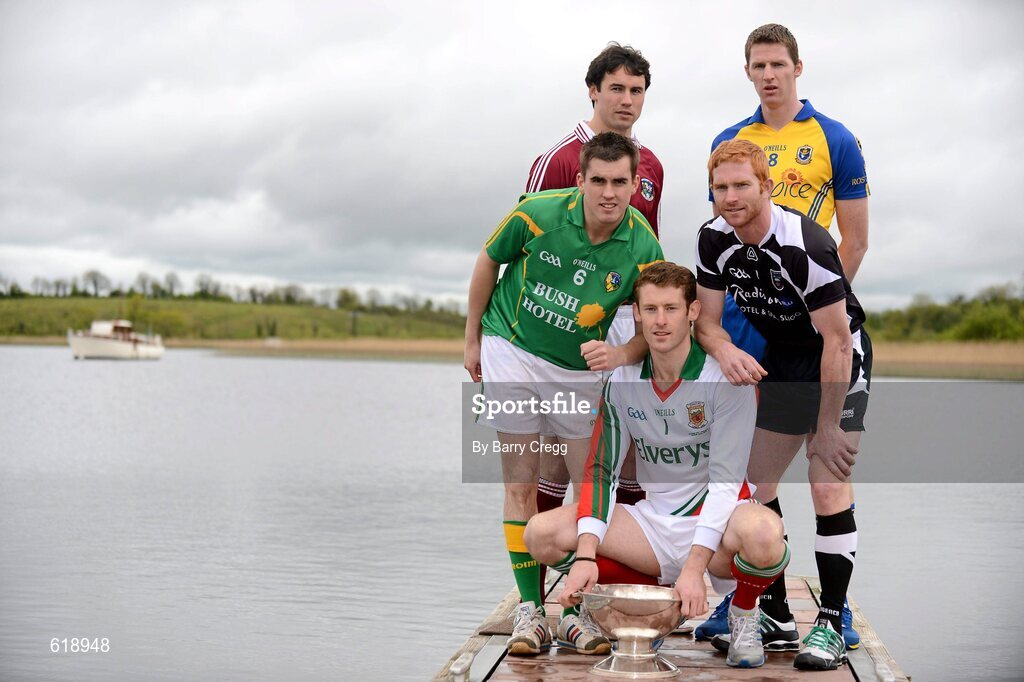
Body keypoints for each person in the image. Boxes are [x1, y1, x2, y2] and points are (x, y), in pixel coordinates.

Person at [524, 261, 790, 669]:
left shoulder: (725, 380)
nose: (660, 321)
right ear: (636, 313)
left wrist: (695, 568)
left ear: (693, 312)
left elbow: (725, 483)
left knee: (766, 533)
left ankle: (744, 614)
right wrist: (585, 556)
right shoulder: (623, 381)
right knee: (541, 534)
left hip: (717, 526)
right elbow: (601, 471)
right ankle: (644, 600)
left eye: (670, 308)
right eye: (650, 310)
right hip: (652, 525)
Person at [697, 23, 869, 650]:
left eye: (778, 64)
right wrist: (724, 343)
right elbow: (709, 315)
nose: (768, 74)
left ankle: (835, 618)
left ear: (798, 66)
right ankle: (771, 610)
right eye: (757, 65)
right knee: (755, 482)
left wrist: (825, 424)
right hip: (777, 339)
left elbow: (838, 317)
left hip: (831, 335)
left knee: (827, 474)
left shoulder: (833, 143)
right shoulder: (721, 196)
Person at [465, 131, 664, 656]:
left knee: (584, 494)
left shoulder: (643, 243)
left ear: (634, 185)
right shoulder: (538, 212)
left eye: (620, 182)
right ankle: (531, 613)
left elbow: (653, 319)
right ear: (579, 181)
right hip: (512, 347)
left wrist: (621, 355)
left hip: (577, 371)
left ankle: (573, 615)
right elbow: (488, 260)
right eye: (597, 181)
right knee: (520, 482)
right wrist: (470, 339)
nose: (609, 193)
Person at [527, 42, 663, 533]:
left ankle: (616, 572)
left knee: (630, 442)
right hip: (567, 320)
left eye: (637, 90)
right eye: (616, 89)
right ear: (593, 91)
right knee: (557, 452)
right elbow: (530, 248)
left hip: (627, 321)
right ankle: (545, 585)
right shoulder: (562, 159)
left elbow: (649, 257)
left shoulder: (650, 166)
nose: (627, 100)